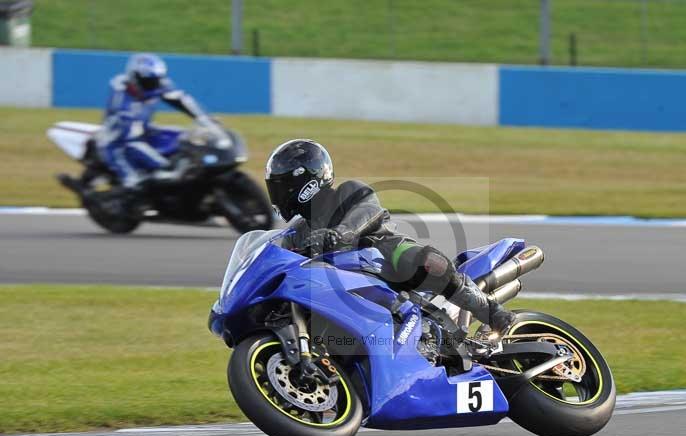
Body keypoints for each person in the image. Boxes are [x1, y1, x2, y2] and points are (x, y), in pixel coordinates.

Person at [264, 139, 516, 332]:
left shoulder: (349, 190)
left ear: (305, 182)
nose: (278, 194)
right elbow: (280, 262)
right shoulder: (296, 233)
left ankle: (494, 313)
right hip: (336, 282)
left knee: (428, 262)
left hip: (382, 252)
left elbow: (366, 212)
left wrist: (339, 234)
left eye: (282, 187)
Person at [96, 53, 208, 189]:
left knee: (181, 137)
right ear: (135, 78)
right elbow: (128, 134)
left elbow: (180, 99)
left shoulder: (157, 84)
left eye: (156, 80)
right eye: (149, 82)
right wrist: (163, 166)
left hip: (142, 130)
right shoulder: (121, 97)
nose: (154, 86)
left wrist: (203, 118)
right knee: (138, 182)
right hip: (117, 141)